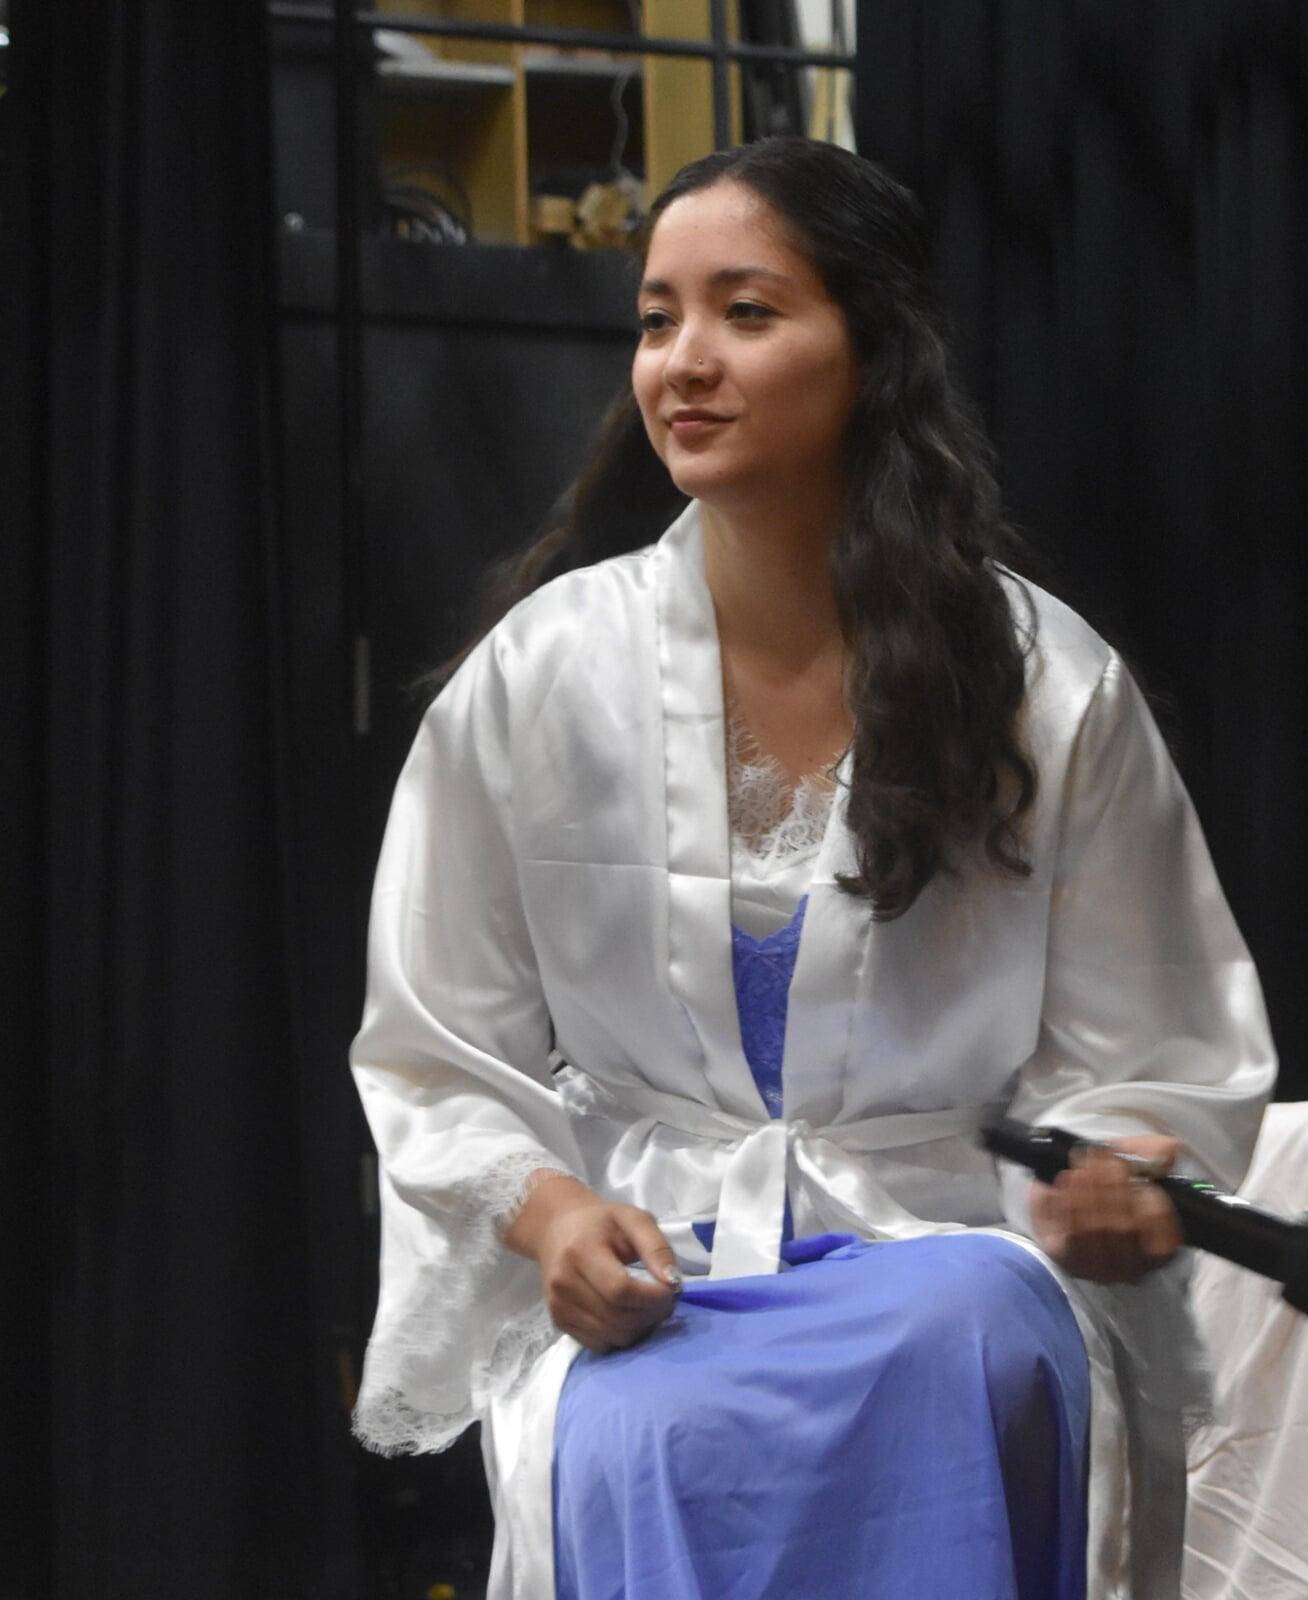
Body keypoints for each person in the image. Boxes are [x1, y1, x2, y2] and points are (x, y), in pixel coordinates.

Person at [350, 138, 1274, 1599]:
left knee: (963, 1332)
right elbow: (431, 1046)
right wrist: (556, 1215)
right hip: (660, 1280)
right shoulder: (540, 676)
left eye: (746, 311)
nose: (683, 362)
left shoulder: (1042, 683)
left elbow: (1154, 1046)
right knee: (647, 1429)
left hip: (948, 1250)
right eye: (657, 319)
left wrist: (1119, 1165)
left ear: (873, 350)